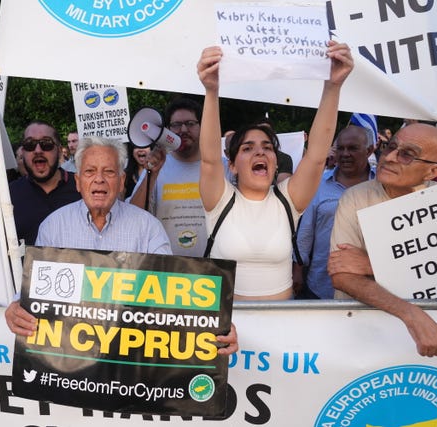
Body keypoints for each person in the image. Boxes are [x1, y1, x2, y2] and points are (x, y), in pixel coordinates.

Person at [6, 136, 240, 356]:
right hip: (72, 360)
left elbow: (174, 294)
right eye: (90, 171)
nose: (99, 179)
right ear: (78, 182)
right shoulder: (53, 226)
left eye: (109, 172)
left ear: (120, 182)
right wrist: (17, 305)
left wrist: (214, 324)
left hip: (129, 362)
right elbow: (35, 287)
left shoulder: (148, 227)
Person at [197, 40, 353, 300]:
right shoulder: (219, 200)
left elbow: (316, 156)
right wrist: (211, 91)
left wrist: (333, 85)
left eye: (267, 147)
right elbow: (210, 159)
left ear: (276, 160)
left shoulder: (287, 200)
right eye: (247, 148)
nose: (259, 152)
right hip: (228, 332)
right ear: (232, 164)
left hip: (283, 330)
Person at [328, 123, 437, 357]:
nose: (389, 157)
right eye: (391, 147)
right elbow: (343, 275)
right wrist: (411, 314)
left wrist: (372, 264)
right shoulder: (355, 197)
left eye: (408, 154)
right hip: (361, 335)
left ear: (432, 172)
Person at [128, 98, 217, 257]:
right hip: (168, 267)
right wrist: (152, 174)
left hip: (213, 266)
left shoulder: (219, 167)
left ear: (201, 126)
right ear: (167, 129)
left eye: (190, 123)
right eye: (176, 125)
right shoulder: (157, 167)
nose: (183, 129)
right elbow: (133, 214)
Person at [295, 125, 375, 299]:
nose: (345, 154)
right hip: (321, 286)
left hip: (372, 288)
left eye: (353, 148)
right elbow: (306, 233)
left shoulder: (383, 185)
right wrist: (297, 270)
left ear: (369, 150)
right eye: (340, 148)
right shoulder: (318, 184)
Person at [9, 121, 81, 245]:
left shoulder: (82, 188)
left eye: (46, 144)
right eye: (30, 144)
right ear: (23, 153)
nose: (38, 150)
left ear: (59, 151)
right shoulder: (9, 194)